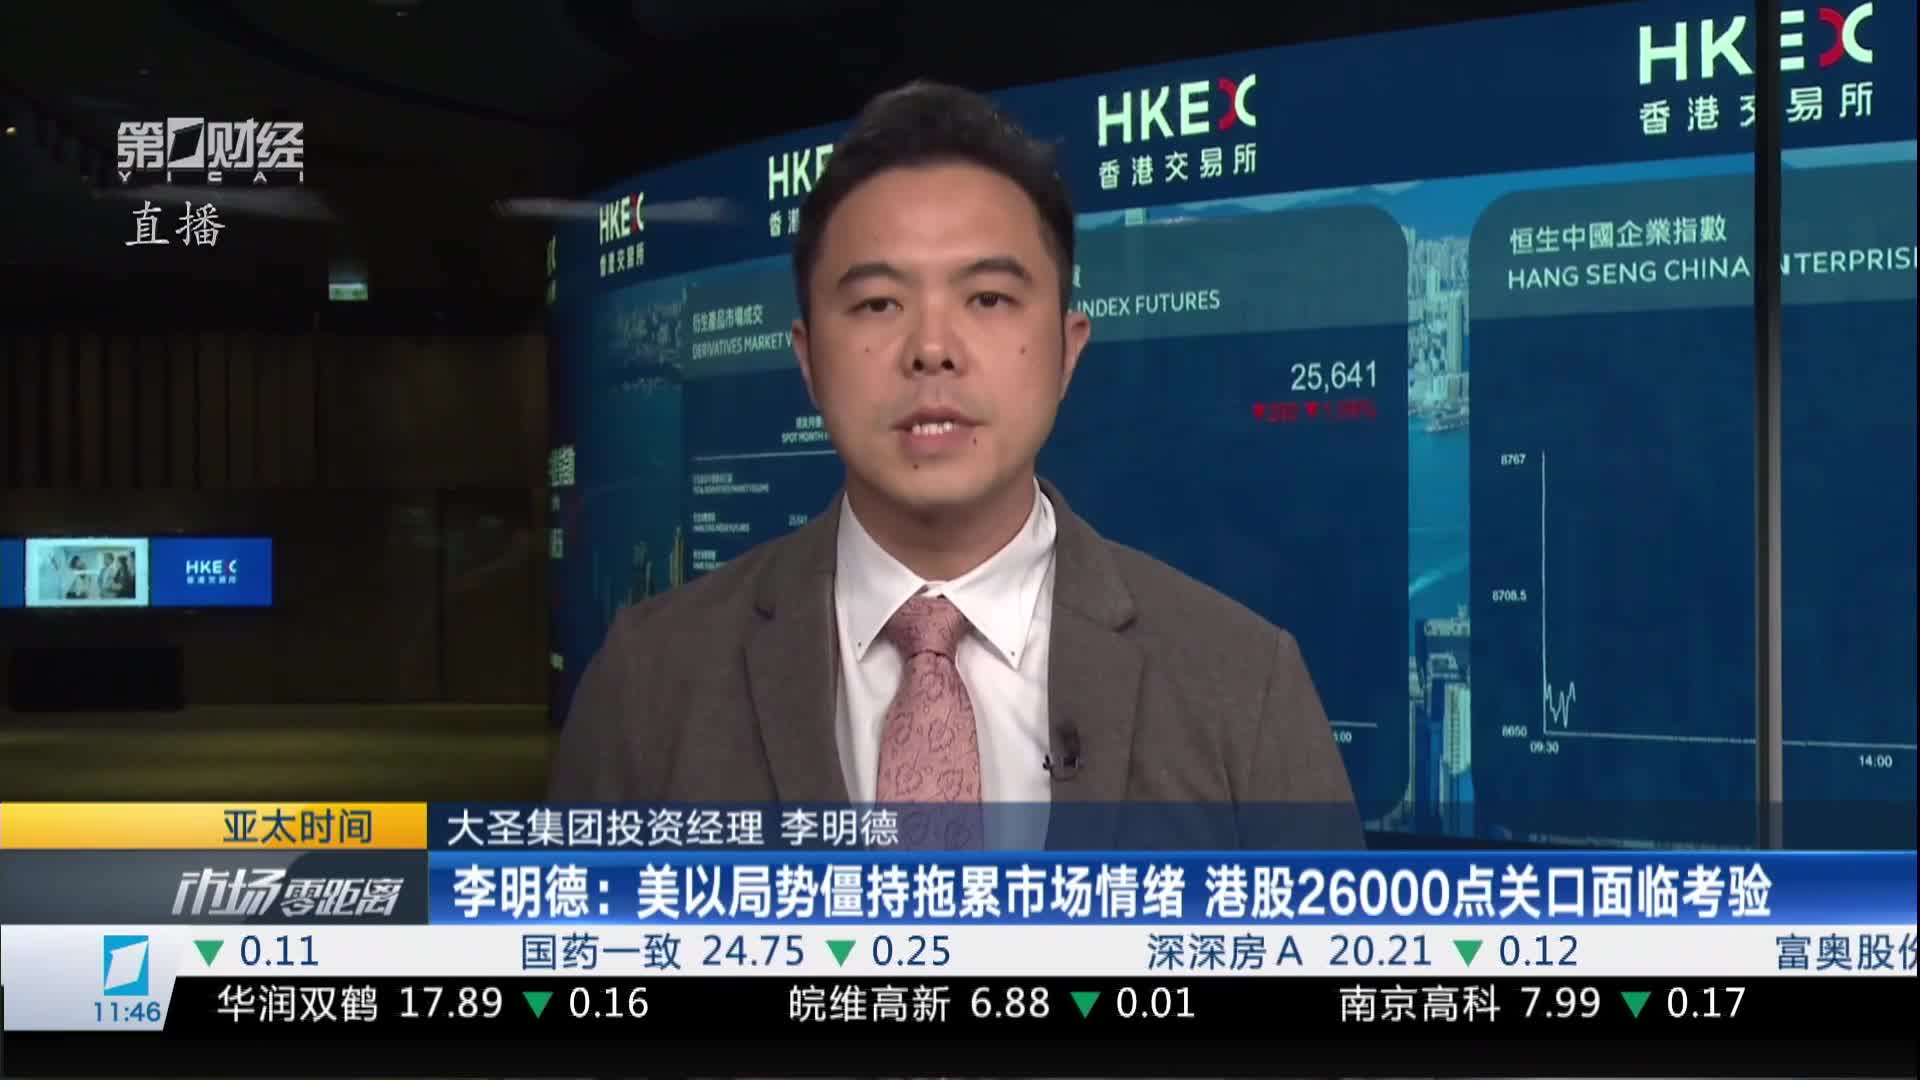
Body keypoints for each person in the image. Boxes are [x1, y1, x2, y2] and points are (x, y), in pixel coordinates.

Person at [551, 81, 1360, 846]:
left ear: (1067, 350)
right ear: (808, 360)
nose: (932, 349)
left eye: (989, 299)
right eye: (878, 303)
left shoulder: (1242, 684)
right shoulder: (650, 681)